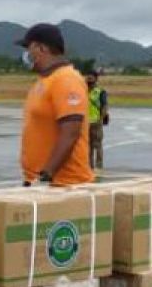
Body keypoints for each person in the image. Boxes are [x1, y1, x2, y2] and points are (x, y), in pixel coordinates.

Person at [17, 23, 94, 187]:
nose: (26, 54)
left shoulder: (66, 79)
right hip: (39, 183)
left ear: (41, 48)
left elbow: (71, 132)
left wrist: (46, 175)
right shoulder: (44, 80)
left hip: (63, 185)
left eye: (28, 48)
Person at [85, 69, 109, 169]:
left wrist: (101, 119)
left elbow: (104, 106)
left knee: (97, 145)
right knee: (88, 146)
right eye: (87, 77)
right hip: (85, 123)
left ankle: (99, 166)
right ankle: (89, 166)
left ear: (96, 79)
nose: (88, 79)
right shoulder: (82, 90)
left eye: (91, 77)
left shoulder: (100, 91)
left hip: (96, 122)